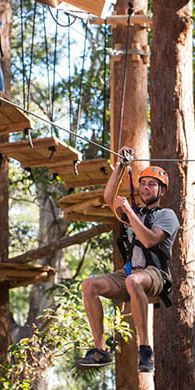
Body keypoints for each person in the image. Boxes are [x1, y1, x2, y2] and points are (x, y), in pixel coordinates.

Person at [75, 148, 179, 373]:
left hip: (155, 274)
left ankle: (145, 350)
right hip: (130, 273)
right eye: (143, 183)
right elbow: (108, 197)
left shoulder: (167, 216)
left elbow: (150, 240)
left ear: (161, 190)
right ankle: (100, 349)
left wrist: (130, 213)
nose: (145, 188)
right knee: (89, 285)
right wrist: (121, 166)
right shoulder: (134, 211)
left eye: (152, 184)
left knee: (134, 281)